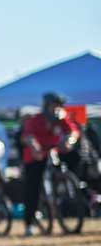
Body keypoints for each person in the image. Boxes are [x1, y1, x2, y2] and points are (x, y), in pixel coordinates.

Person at [18, 92, 81, 236]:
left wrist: (68, 142)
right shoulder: (35, 120)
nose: (57, 109)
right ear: (47, 106)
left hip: (54, 152)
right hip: (35, 157)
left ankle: (76, 189)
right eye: (54, 106)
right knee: (32, 187)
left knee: (75, 157)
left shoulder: (61, 118)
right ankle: (29, 223)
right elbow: (28, 136)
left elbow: (73, 132)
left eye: (59, 106)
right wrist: (35, 148)